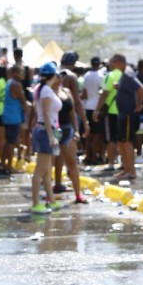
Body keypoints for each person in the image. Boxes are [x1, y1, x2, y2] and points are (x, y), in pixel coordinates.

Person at [30, 62, 62, 214]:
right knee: (40, 170)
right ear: (53, 75)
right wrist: (51, 136)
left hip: (44, 130)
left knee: (46, 170)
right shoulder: (46, 91)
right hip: (45, 131)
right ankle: (36, 203)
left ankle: (51, 199)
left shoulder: (42, 89)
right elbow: (47, 115)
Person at [54, 70, 88, 203]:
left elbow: (73, 113)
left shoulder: (67, 92)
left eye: (62, 77)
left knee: (71, 162)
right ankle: (54, 187)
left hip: (68, 129)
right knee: (52, 162)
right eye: (57, 77)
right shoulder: (47, 92)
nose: (60, 79)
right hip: (53, 130)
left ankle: (78, 194)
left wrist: (77, 129)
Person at [113, 55, 143, 180]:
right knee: (121, 142)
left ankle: (131, 171)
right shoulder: (125, 73)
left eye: (113, 62)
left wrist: (139, 104)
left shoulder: (127, 74)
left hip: (127, 113)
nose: (112, 65)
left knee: (126, 142)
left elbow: (141, 88)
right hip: (122, 113)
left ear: (119, 62)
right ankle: (126, 169)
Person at [1, 64, 31, 174]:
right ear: (14, 73)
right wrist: (30, 117)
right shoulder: (16, 85)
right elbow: (23, 102)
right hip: (13, 118)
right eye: (20, 72)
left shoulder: (10, 82)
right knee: (11, 143)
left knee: (8, 142)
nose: (23, 74)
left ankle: (4, 165)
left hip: (9, 116)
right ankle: (9, 167)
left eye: (23, 72)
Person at [82, 56, 105, 165]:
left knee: (89, 133)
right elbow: (102, 93)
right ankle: (95, 157)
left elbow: (85, 93)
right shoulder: (101, 76)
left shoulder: (86, 75)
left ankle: (88, 155)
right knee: (97, 135)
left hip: (88, 105)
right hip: (97, 107)